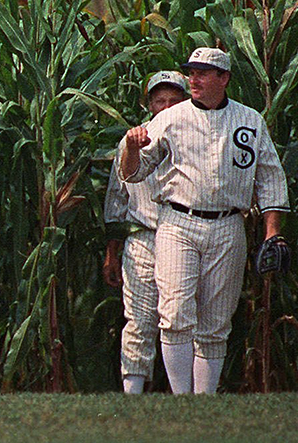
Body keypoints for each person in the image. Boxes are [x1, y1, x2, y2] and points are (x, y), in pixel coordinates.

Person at [119, 47, 288, 394]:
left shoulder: (249, 120)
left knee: (215, 322)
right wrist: (132, 149)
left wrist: (273, 233)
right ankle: (183, 400)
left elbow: (270, 178)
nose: (193, 79)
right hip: (178, 221)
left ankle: (204, 400)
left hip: (229, 224)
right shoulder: (170, 117)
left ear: (223, 78)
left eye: (202, 73)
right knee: (176, 313)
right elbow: (134, 174)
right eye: (191, 73)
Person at [103, 70, 188, 394]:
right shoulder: (131, 141)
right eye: (159, 100)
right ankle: (133, 392)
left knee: (180, 317)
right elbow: (116, 200)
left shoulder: (195, 138)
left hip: (184, 234)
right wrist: (112, 252)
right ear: (149, 103)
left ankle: (186, 393)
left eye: (173, 100)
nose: (166, 106)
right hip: (142, 237)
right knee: (138, 318)